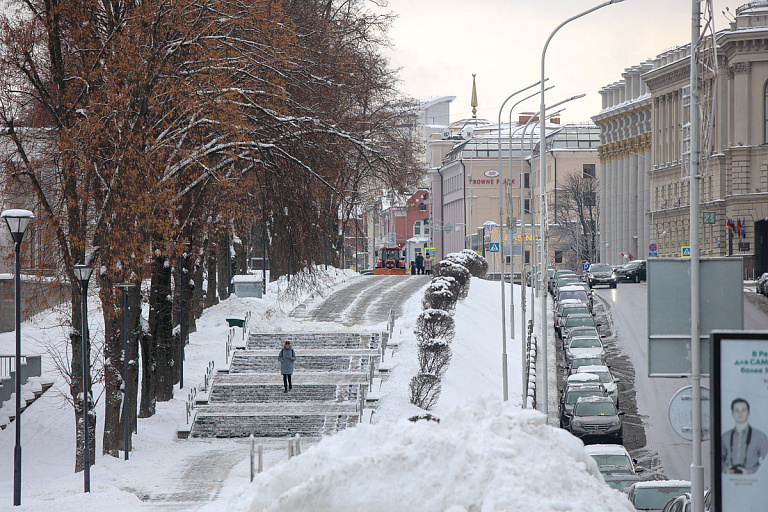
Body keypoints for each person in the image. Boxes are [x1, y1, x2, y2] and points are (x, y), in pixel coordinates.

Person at [722, 398, 768, 474]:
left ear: (748, 413)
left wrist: (750, 472)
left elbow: (766, 462)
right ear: (732, 413)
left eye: (743, 410)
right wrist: (726, 469)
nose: (740, 414)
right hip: (730, 480)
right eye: (736, 410)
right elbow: (717, 458)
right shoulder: (725, 437)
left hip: (753, 481)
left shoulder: (760, 437)